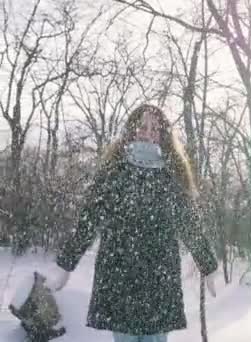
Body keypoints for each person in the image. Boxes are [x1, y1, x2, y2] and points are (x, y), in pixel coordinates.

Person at [41, 104, 218, 342]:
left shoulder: (170, 176)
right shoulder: (115, 172)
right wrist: (66, 264)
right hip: (120, 281)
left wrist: (207, 264)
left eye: (155, 129)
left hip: (159, 283)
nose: (148, 133)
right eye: (143, 127)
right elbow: (89, 220)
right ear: (132, 131)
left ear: (163, 135)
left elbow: (189, 224)